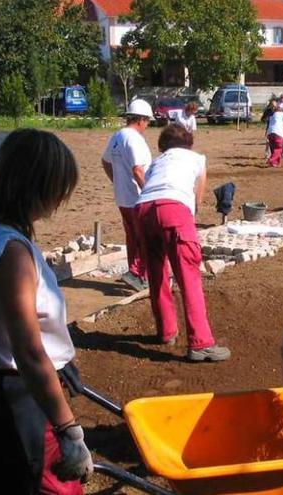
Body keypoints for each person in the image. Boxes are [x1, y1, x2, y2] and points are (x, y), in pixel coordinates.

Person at [0, 129, 93, 494]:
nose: (61, 200)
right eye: (59, 188)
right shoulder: (11, 253)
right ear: (39, 186)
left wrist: (60, 362)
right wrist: (67, 429)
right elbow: (26, 350)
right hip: (10, 397)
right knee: (41, 485)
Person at [135, 124, 231, 362]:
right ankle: (201, 343)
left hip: (144, 208)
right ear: (189, 143)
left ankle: (166, 331)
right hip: (174, 208)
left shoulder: (158, 161)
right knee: (189, 275)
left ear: (163, 146)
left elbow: (148, 184)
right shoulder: (197, 158)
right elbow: (198, 195)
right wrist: (190, 214)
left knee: (157, 273)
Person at [102, 99, 154, 291]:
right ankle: (137, 274)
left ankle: (135, 274)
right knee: (146, 238)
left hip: (123, 197)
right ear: (140, 119)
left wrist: (116, 181)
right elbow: (138, 170)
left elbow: (105, 161)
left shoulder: (117, 136)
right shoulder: (134, 139)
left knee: (132, 237)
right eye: (147, 121)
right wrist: (150, 193)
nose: (147, 125)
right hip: (137, 198)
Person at [266, 102, 283, 168]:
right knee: (278, 149)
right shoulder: (281, 114)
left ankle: (276, 163)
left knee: (273, 149)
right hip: (278, 133)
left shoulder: (272, 115)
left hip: (270, 133)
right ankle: (271, 160)